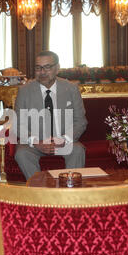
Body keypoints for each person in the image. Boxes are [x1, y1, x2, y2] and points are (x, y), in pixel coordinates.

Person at [14, 51, 88, 180]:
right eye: (38, 68)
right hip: (36, 143)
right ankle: (40, 191)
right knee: (22, 153)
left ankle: (70, 191)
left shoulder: (71, 89)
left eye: (47, 67)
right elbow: (19, 123)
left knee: (77, 150)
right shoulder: (25, 91)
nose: (42, 72)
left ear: (57, 68)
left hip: (64, 141)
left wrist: (64, 139)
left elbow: (80, 121)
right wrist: (37, 142)